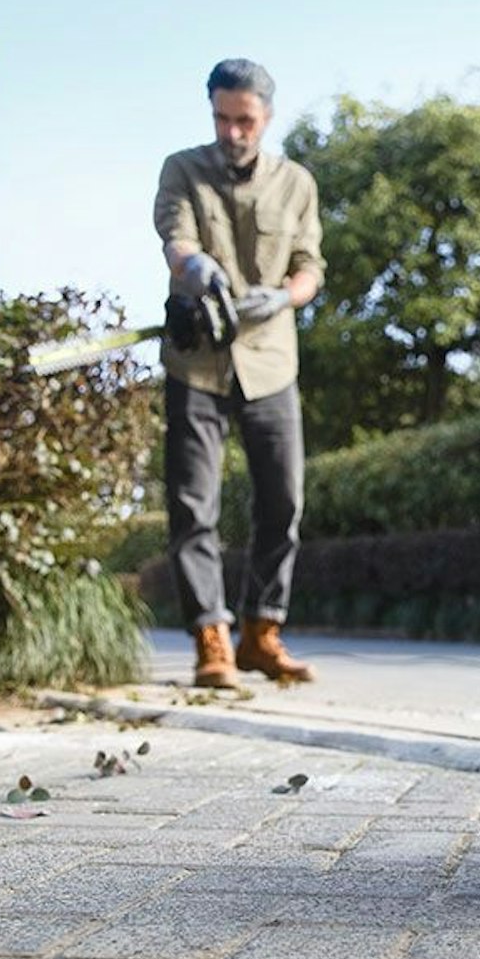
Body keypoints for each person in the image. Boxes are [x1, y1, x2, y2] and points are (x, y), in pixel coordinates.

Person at [154, 58, 323, 687]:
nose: (232, 132)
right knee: (193, 505)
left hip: (272, 361)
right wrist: (196, 268)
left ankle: (261, 632)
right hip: (197, 363)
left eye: (244, 120)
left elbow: (310, 264)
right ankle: (211, 639)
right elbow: (175, 237)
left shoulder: (297, 183)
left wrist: (286, 296)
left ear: (266, 118)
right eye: (222, 118)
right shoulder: (182, 169)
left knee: (283, 501)